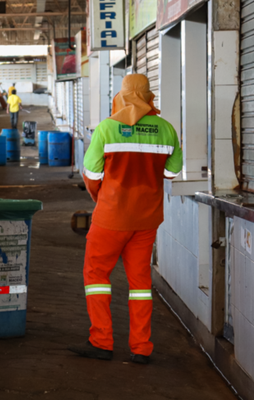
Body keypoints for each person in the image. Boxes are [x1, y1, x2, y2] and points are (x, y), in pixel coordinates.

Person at [68, 74, 183, 364]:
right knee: (141, 282)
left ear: (121, 96)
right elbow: (172, 173)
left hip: (110, 217)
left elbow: (92, 174)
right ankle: (141, 348)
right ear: (148, 97)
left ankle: (102, 342)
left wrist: (101, 199)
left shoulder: (107, 128)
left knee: (96, 276)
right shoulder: (166, 129)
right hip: (146, 220)